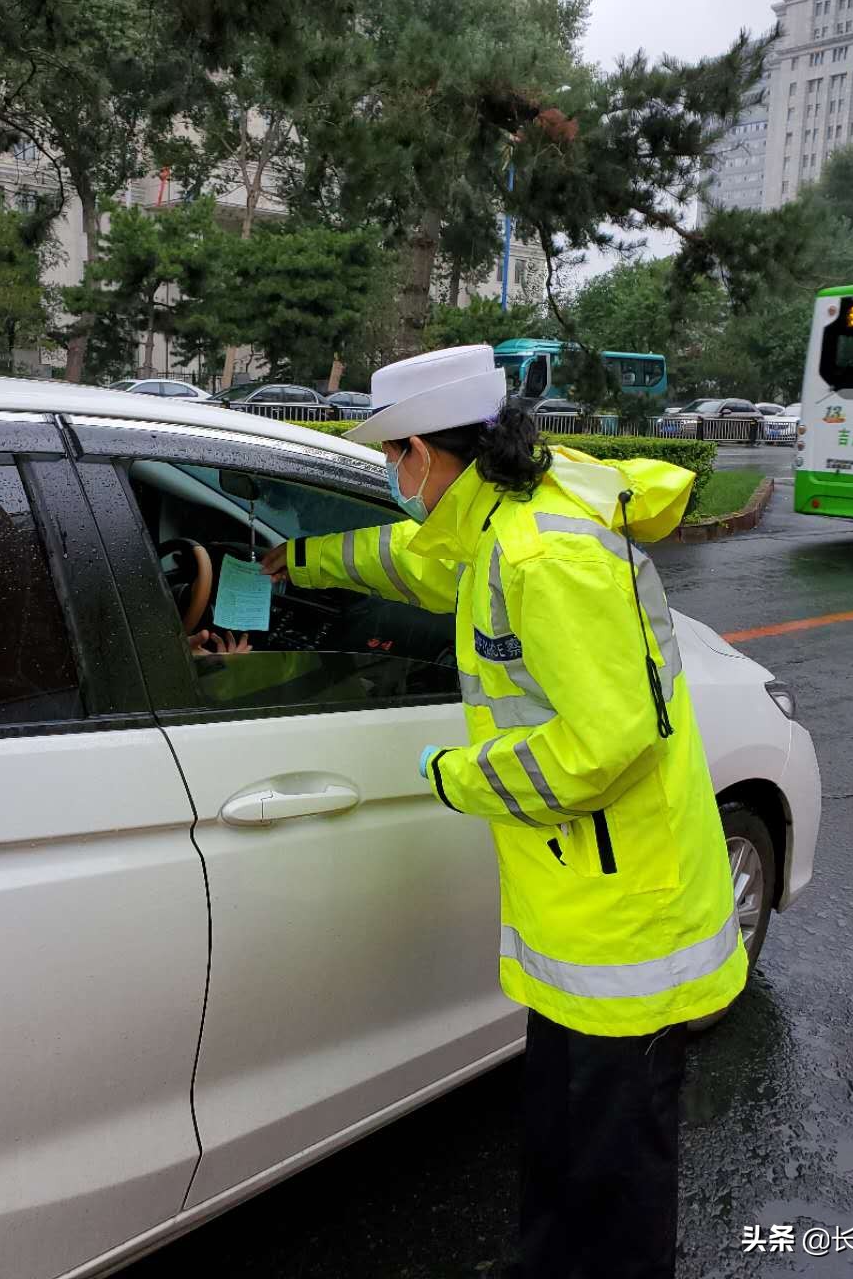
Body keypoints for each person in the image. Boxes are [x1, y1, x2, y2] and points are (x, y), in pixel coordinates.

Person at [260, 345, 747, 1279]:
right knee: (563, 1137)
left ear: (428, 454)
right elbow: (421, 564)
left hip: (626, 914)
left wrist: (458, 775)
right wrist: (305, 561)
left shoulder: (544, 555)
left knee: (617, 1172)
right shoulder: (498, 512)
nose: (394, 478)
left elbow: (605, 745)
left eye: (393, 457)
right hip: (581, 900)